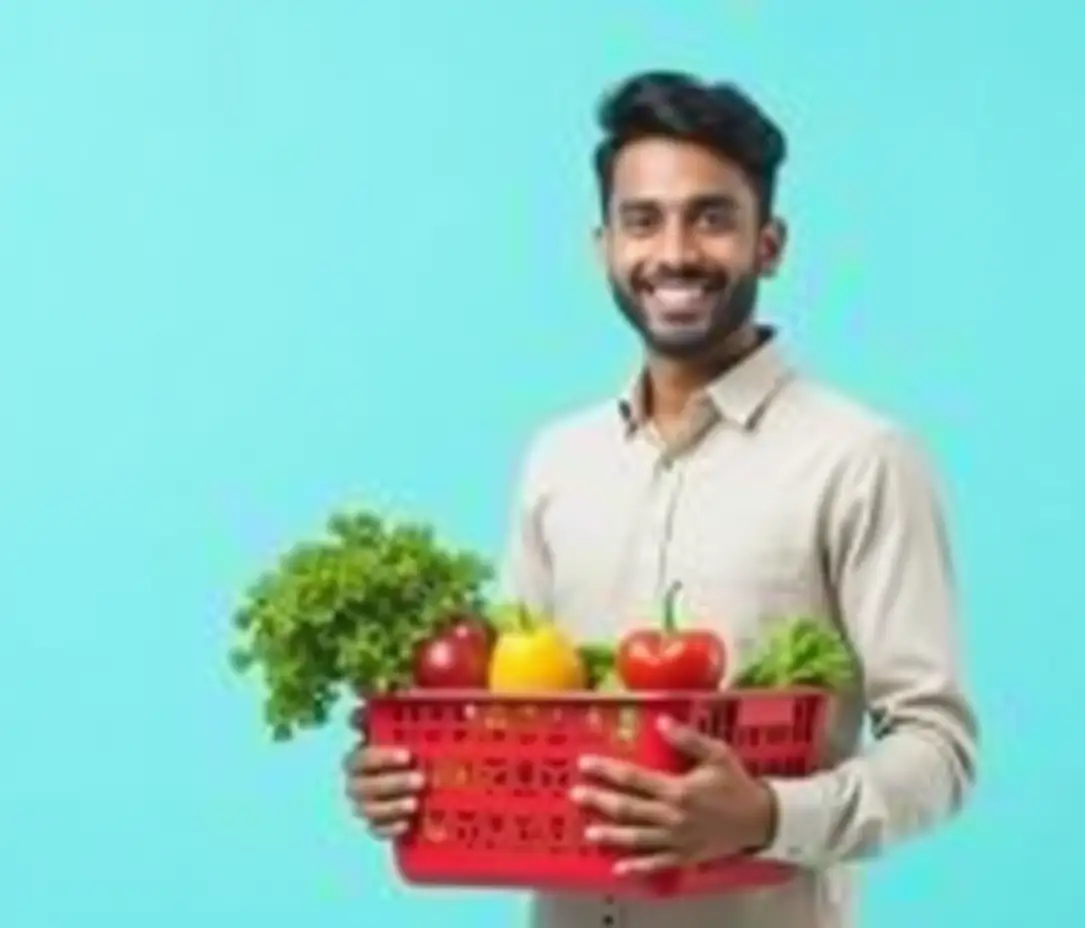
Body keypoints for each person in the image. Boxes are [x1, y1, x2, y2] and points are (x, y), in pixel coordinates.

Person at [343, 69, 979, 928]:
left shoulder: (861, 460)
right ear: (603, 245)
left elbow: (938, 752)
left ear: (771, 244)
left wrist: (765, 815)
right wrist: (406, 771)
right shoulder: (557, 461)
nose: (674, 252)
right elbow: (511, 727)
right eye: (643, 220)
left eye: (712, 217)